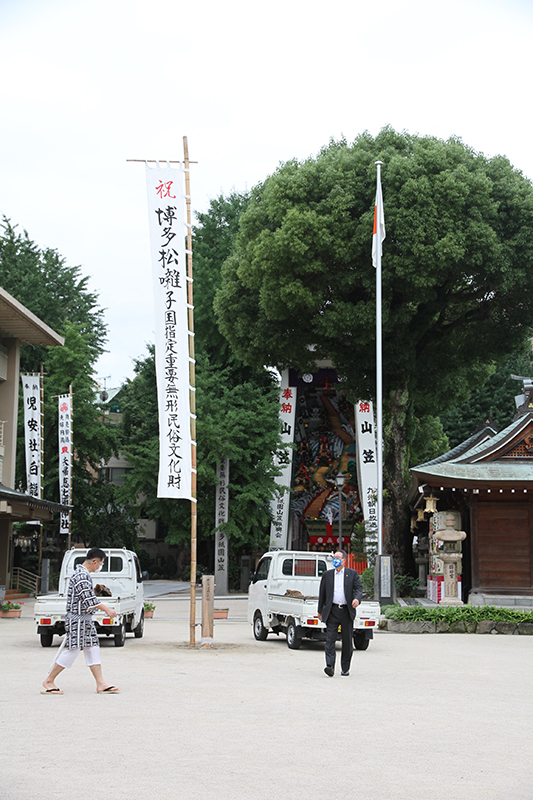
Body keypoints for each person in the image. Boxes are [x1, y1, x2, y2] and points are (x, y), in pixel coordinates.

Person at [41, 547, 120, 695]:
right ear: (95, 562)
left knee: (93, 648)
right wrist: (107, 609)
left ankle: (101, 683)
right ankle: (49, 680)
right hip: (77, 620)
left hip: (85, 620)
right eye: (101, 563)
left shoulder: (83, 574)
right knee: (73, 649)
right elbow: (89, 599)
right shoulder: (81, 576)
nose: (101, 566)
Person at [317, 549, 363, 677]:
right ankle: (330, 666)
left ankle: (345, 668)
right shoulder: (327, 575)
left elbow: (358, 588)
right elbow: (322, 593)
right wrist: (320, 611)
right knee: (330, 639)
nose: (335, 560)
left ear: (344, 560)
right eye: (334, 558)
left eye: (338, 558)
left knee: (347, 641)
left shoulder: (352, 574)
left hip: (346, 611)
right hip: (332, 611)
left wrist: (357, 599)